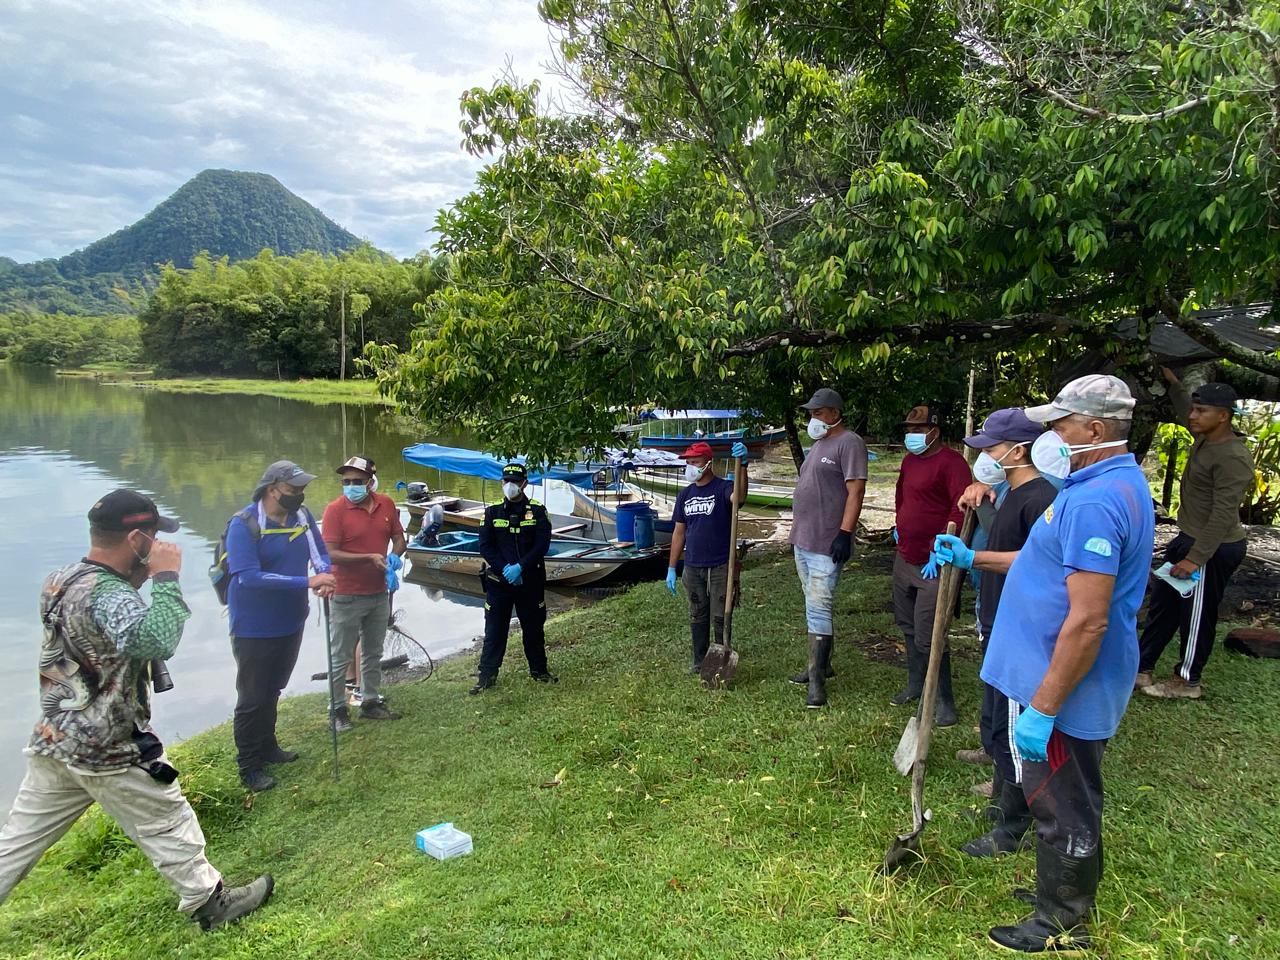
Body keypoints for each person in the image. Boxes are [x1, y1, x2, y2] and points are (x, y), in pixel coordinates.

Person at [934, 374, 1155, 953]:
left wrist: (1044, 705)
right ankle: (1058, 888)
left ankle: (1061, 920)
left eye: (1060, 425)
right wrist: (972, 555)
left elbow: (1088, 620)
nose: (1050, 435)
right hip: (1044, 675)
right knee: (1067, 793)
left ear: (1096, 429)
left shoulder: (1098, 501)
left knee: (1065, 801)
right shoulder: (1101, 487)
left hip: (1061, 686)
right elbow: (1042, 566)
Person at [0, 490, 273, 930]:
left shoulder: (61, 579)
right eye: (153, 537)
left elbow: (97, 629)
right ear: (136, 537)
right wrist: (165, 578)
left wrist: (138, 579)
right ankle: (211, 903)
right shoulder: (110, 594)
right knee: (169, 818)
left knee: (15, 844)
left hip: (57, 736)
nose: (157, 544)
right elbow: (155, 641)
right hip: (109, 749)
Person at [946, 410, 1058, 858]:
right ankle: (999, 786)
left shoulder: (1042, 496)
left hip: (1023, 617)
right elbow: (998, 535)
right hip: (997, 608)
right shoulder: (1013, 491)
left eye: (993, 448)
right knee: (995, 700)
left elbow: (1036, 562)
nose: (986, 456)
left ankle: (1011, 825)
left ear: (1018, 449)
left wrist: (972, 561)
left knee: (1016, 718)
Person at [1137, 377, 1254, 700]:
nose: (1192, 416)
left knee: (1197, 614)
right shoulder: (1206, 439)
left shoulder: (1232, 457)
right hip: (1188, 539)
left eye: (1201, 411)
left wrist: (1195, 559)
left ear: (1223, 416)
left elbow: (1223, 514)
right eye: (1193, 409)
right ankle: (1141, 667)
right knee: (1164, 606)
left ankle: (1188, 681)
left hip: (1212, 548)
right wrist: (1173, 384)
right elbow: (1180, 406)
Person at [225, 461, 334, 792]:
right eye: (293, 490)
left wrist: (324, 577)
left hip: (291, 620)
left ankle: (269, 746)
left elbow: (320, 554)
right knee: (252, 697)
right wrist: (308, 580)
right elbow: (248, 577)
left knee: (274, 688)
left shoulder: (300, 517)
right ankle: (249, 765)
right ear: (272, 489)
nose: (299, 495)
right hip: (254, 626)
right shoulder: (243, 525)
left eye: (302, 489)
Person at [890, 404, 971, 726]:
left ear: (934, 431)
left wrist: (943, 549)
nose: (911, 435)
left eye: (917, 430)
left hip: (935, 563)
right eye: (909, 430)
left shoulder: (952, 463)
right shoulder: (910, 461)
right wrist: (899, 526)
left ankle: (943, 701)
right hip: (906, 555)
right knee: (907, 625)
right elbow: (902, 498)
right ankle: (915, 683)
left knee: (931, 632)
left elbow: (961, 508)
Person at [788, 387, 868, 709]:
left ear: (834, 413)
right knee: (812, 601)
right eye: (811, 413)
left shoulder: (850, 443)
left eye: (818, 413)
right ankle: (821, 665)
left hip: (825, 541)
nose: (813, 419)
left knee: (819, 606)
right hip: (803, 538)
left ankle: (817, 684)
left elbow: (856, 490)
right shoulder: (820, 443)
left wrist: (845, 533)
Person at [321, 455, 407, 731]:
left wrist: (394, 556)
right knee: (341, 655)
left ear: (370, 482)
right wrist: (368, 558)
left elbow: (399, 537)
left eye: (357, 481)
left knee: (373, 650)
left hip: (379, 591)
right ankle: (336, 710)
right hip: (346, 593)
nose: (351, 486)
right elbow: (331, 553)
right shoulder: (335, 510)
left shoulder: (386, 504)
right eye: (346, 482)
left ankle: (370, 701)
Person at [666, 440, 750, 673]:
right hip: (693, 565)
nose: (690, 466)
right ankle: (699, 660)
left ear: (708, 464)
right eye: (688, 462)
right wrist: (672, 567)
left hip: (721, 564)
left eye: (695, 462)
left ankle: (721, 658)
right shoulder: (685, 495)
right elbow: (679, 532)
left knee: (721, 614)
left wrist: (743, 466)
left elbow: (739, 498)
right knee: (697, 612)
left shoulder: (723, 488)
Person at [470, 463, 555, 694]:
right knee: (495, 631)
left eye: (516, 481)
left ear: (525, 483)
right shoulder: (491, 511)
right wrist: (506, 568)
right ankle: (486, 677)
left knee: (534, 629)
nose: (511, 486)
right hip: (499, 582)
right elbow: (485, 546)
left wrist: (520, 567)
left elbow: (542, 545)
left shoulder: (537, 510)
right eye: (507, 481)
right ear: (501, 482)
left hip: (530, 580)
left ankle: (539, 671)